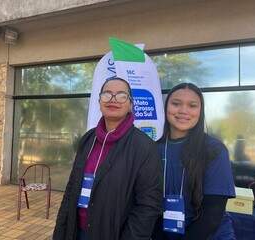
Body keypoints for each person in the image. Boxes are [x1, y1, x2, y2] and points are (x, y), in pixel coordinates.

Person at [53, 77, 163, 240]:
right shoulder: (88, 139)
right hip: (76, 231)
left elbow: (148, 206)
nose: (113, 99)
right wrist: (60, 231)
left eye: (121, 95)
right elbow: (71, 189)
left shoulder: (145, 146)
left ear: (131, 104)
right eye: (107, 94)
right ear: (99, 101)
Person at [152, 83, 236, 240]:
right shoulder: (153, 149)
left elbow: (212, 216)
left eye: (192, 105)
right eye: (176, 104)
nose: (183, 111)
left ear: (200, 111)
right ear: (166, 108)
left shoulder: (214, 150)